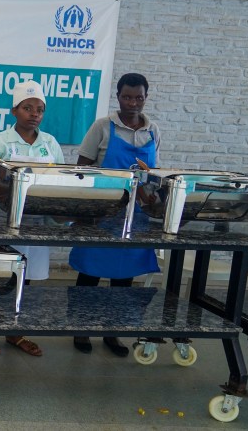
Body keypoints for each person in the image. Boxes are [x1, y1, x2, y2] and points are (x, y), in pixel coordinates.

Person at [69, 72, 161, 357]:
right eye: (127, 97)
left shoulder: (152, 130)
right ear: (118, 97)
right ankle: (80, 329)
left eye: (139, 98)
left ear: (146, 98)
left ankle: (113, 332)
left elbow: (152, 174)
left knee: (124, 277)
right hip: (102, 214)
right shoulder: (102, 127)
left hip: (136, 217)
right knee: (90, 273)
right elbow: (82, 168)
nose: (133, 103)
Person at [0, 80, 63, 357]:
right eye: (27, 108)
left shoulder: (50, 143)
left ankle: (15, 331)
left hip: (37, 222)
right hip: (3, 220)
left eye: (39, 109)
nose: (34, 114)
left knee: (25, 278)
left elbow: (60, 179)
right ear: (14, 110)